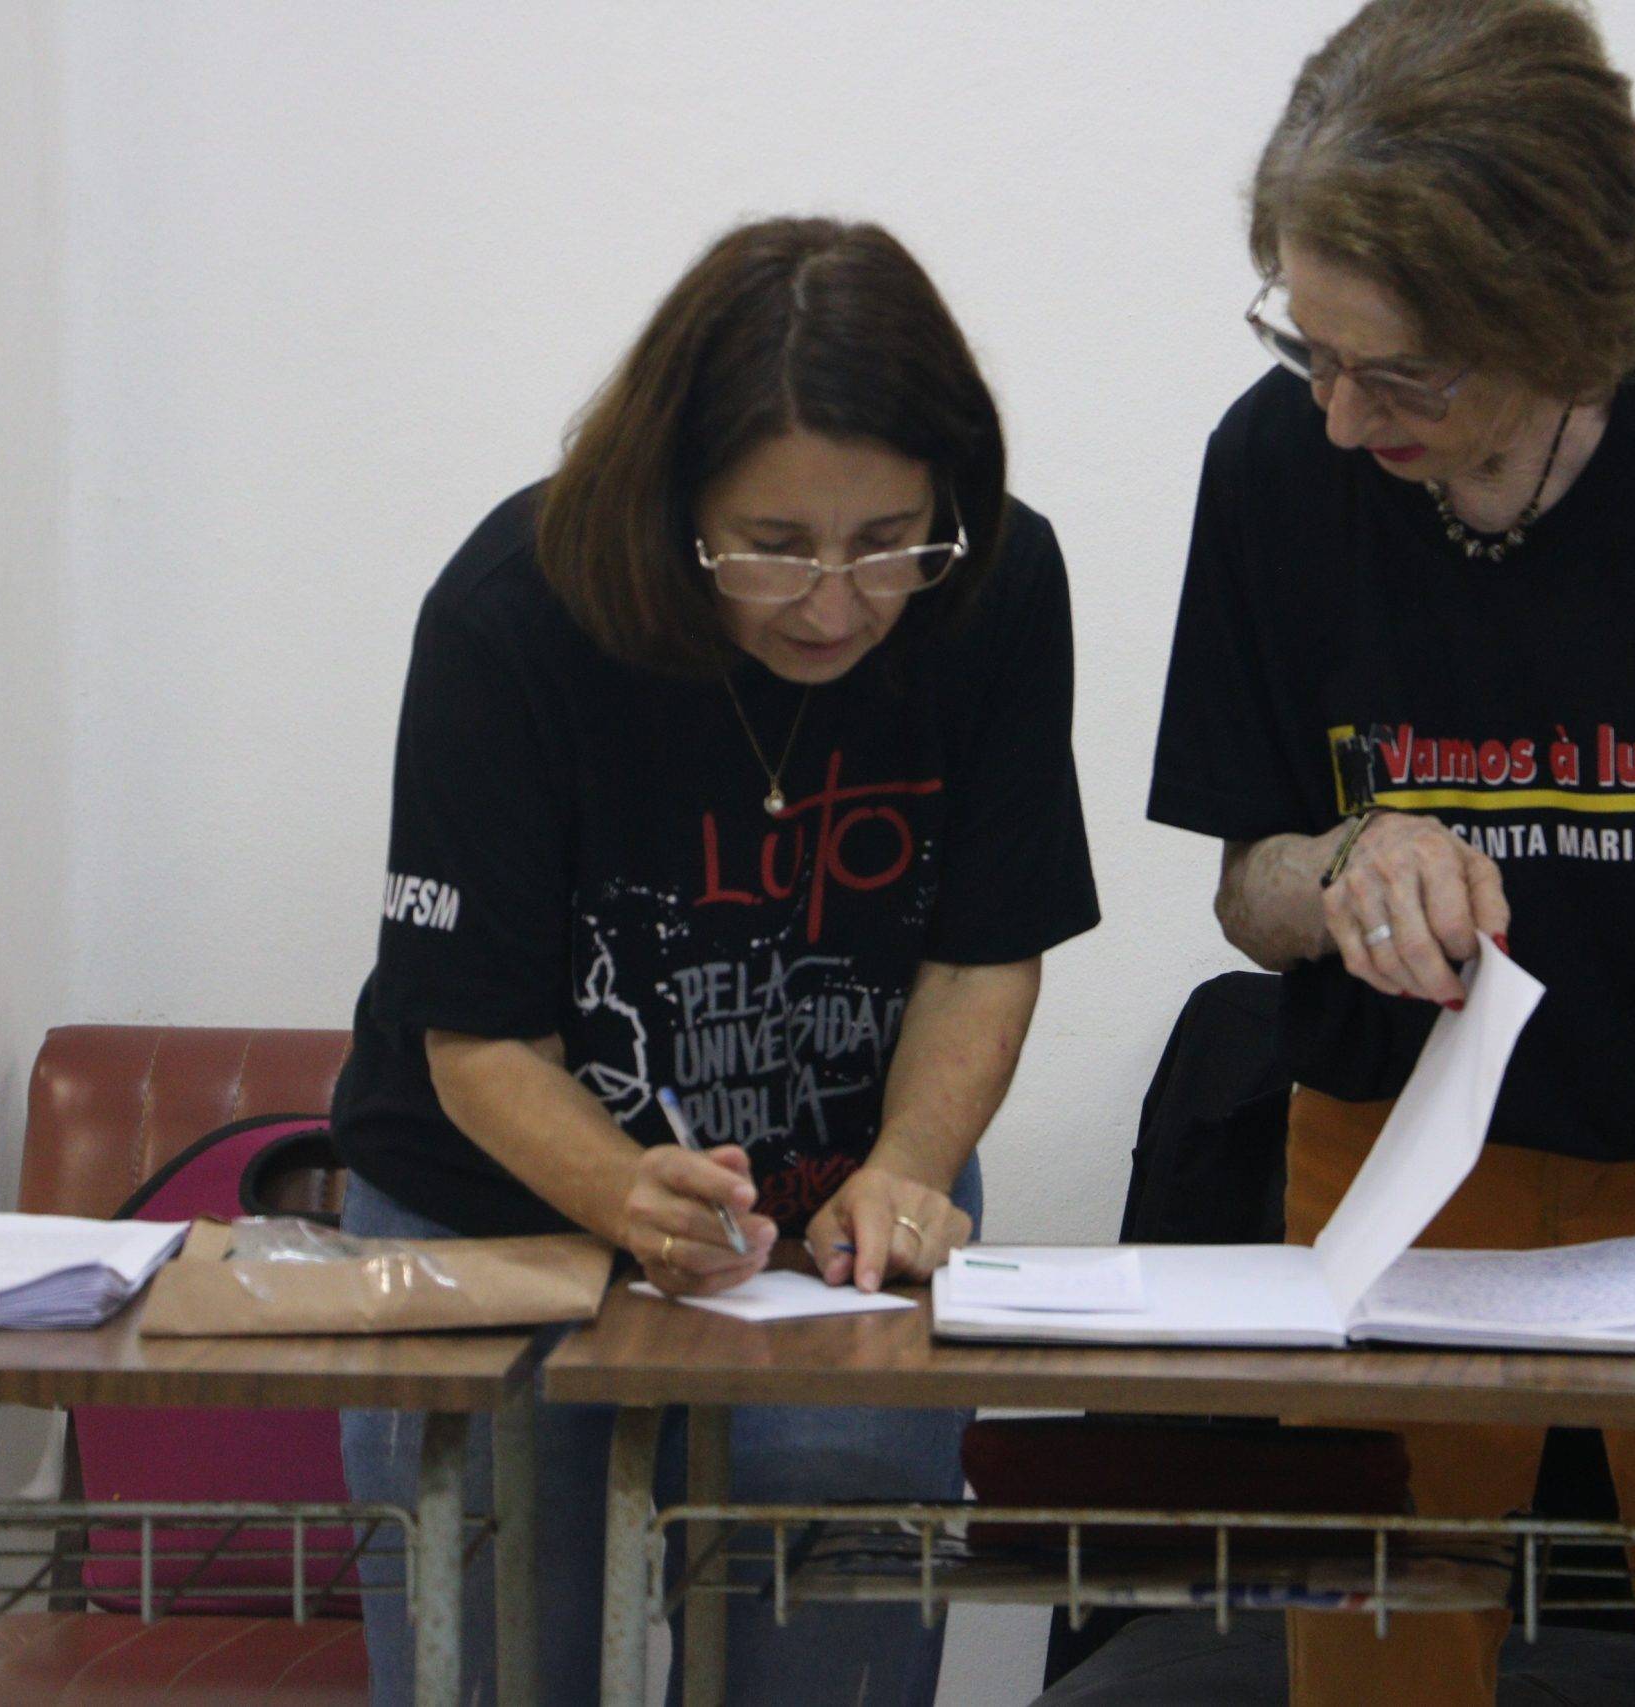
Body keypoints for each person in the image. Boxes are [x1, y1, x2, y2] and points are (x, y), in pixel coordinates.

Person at [1147, 3, 1635, 1702]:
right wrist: (1345, 864)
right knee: (1382, 1659)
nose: (1343, 415)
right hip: (1396, 1162)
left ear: (1561, 317)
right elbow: (1244, 891)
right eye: (1309, 347)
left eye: (1401, 375)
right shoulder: (1271, 465)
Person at [331, 216, 1099, 1706]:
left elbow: (982, 953)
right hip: (494, 1206)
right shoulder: (515, 609)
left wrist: (911, 1167)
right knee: (499, 1657)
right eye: (776, 547)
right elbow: (475, 1039)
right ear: (671, 501)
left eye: (887, 542)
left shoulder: (996, 584)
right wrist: (626, 1194)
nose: (836, 604)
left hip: (839, 1217)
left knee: (831, 1644)